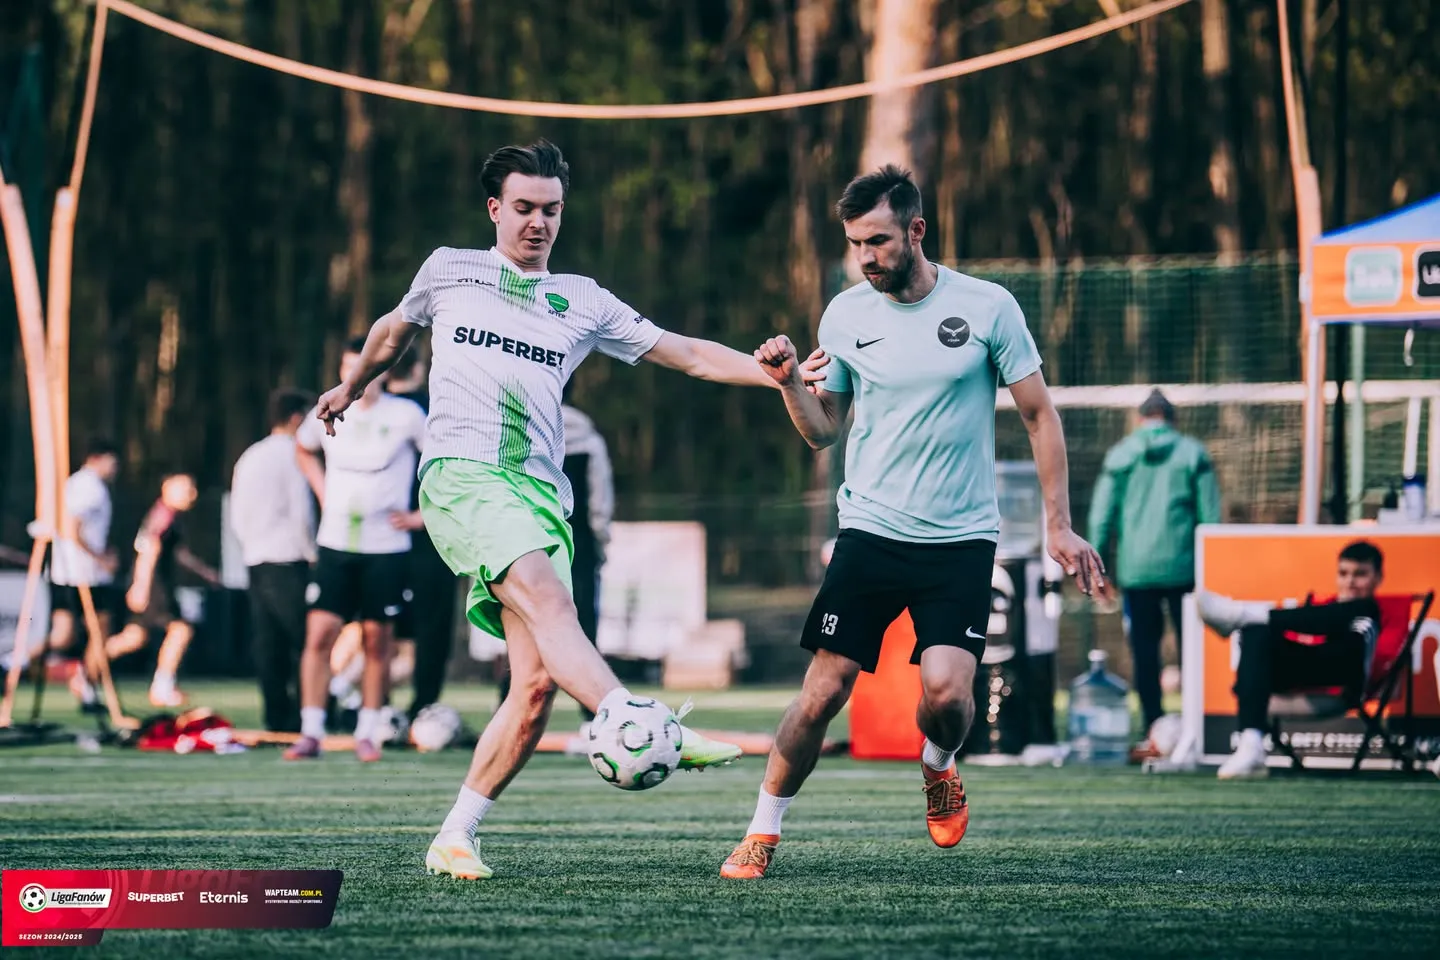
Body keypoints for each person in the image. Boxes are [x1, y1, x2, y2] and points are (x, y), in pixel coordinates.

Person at [314, 139, 811, 881]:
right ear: (495, 209)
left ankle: (455, 835)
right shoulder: (449, 269)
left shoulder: (583, 299)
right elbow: (391, 331)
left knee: (537, 685)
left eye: (551, 210)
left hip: (541, 496)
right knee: (550, 605)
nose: (538, 222)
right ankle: (644, 723)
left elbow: (687, 354)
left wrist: (777, 376)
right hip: (463, 477)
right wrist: (351, 387)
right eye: (523, 207)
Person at [725, 164, 1108, 880]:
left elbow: (1039, 416)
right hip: (870, 530)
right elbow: (824, 430)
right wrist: (788, 384)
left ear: (917, 230)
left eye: (878, 241)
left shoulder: (988, 307)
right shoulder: (844, 316)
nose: (866, 258)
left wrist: (1059, 525)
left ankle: (938, 763)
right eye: (854, 244)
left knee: (947, 696)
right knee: (824, 690)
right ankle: (761, 829)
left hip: (960, 539)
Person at [285, 337, 426, 763]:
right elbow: (303, 448)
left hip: (386, 546)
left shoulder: (406, 415)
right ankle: (311, 731)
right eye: (348, 367)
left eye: (364, 367)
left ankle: (367, 732)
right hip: (335, 543)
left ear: (381, 370)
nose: (357, 375)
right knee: (319, 636)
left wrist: (422, 515)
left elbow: (443, 462)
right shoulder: (328, 408)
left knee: (377, 642)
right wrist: (322, 491)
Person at [1086, 388, 1220, 760]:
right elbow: (1210, 517)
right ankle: (1198, 727)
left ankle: (1152, 728)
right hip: (1186, 571)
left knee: (1145, 654)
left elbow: (1101, 516)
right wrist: (1213, 567)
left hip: (1137, 572)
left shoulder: (1120, 455)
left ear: (1140, 418)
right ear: (1173, 419)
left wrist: (1099, 568)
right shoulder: (1193, 454)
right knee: (1195, 651)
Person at [1197, 540, 1385, 780]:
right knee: (1255, 633)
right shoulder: (1328, 609)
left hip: (1345, 678)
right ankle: (1251, 745)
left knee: (1351, 612)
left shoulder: (1372, 610)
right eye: (1343, 574)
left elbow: (1340, 629)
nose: (1350, 582)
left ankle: (1242, 614)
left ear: (1378, 578)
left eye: (1360, 574)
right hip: (1311, 673)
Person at [230, 387, 318, 734]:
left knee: (268, 643)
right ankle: (308, 711)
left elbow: (237, 513)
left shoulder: (250, 456)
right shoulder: (294, 454)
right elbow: (301, 510)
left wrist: (250, 545)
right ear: (296, 418)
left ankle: (276, 715)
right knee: (305, 641)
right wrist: (312, 552)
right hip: (289, 559)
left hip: (256, 559)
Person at [384, 348, 461, 723]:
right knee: (432, 626)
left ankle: (366, 705)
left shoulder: (371, 412)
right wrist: (425, 515)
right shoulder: (440, 411)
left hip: (376, 535)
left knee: (373, 624)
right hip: (433, 536)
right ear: (420, 368)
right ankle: (423, 705)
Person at [105, 472, 222, 707]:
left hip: (155, 584)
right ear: (168, 489)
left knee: (134, 638)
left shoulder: (172, 517)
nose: (192, 494)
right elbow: (149, 549)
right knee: (181, 630)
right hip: (154, 585)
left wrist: (205, 572)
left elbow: (179, 553)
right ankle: (162, 687)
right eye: (186, 489)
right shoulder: (163, 515)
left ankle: (85, 671)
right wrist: (141, 586)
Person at [46, 439, 121, 711]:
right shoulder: (89, 487)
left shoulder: (78, 484)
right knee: (100, 631)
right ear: (97, 458)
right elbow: (72, 528)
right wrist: (101, 559)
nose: (115, 468)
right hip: (85, 574)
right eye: (112, 462)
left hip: (67, 572)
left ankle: (10, 663)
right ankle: (87, 686)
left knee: (63, 636)